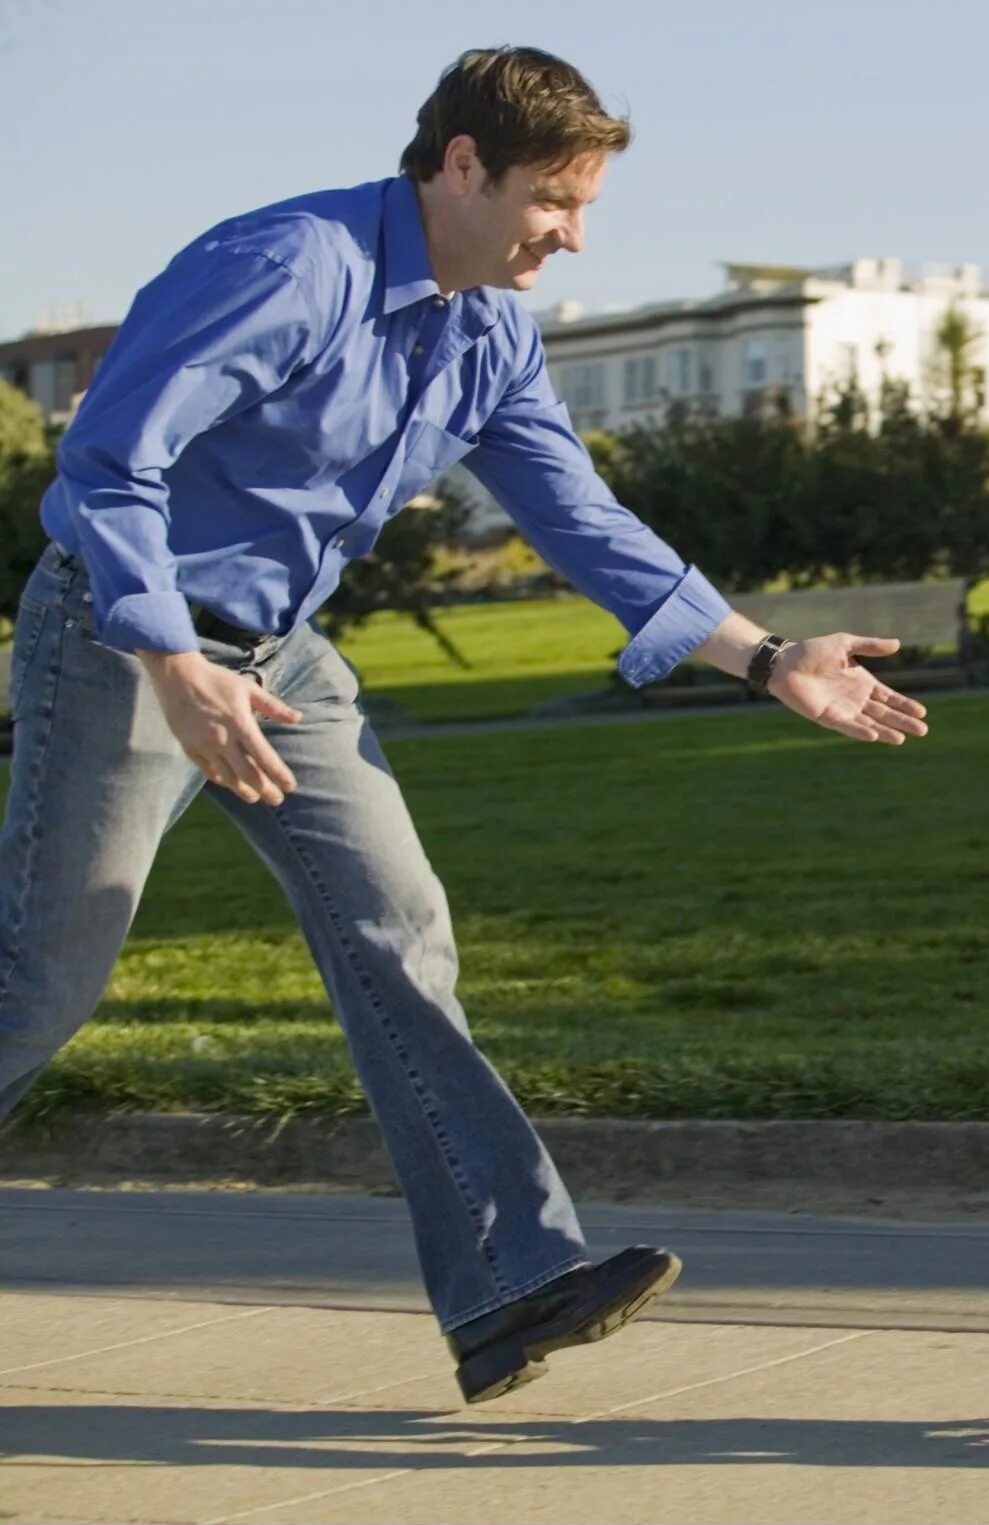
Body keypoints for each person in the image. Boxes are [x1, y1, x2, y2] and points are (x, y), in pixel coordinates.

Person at [0, 47, 928, 1405]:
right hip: (125, 635)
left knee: (397, 929)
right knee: (43, 976)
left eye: (585, 205)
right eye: (553, 199)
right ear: (460, 166)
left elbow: (581, 519)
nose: (572, 234)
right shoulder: (290, 266)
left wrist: (766, 657)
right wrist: (168, 661)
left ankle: (507, 1282)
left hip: (283, 658)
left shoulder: (483, 331)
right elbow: (111, 460)